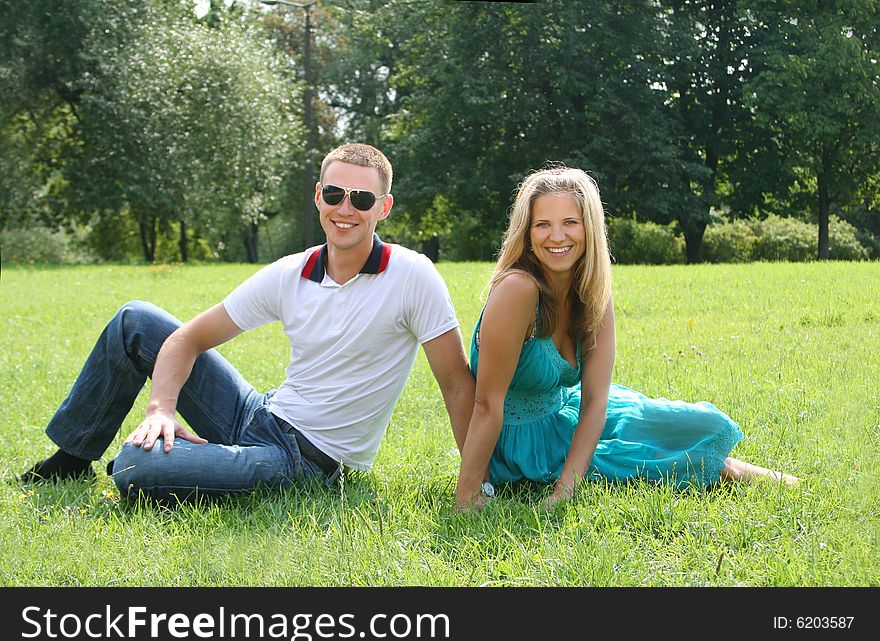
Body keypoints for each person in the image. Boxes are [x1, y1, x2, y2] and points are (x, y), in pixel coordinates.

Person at [20, 143, 475, 502]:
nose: (346, 209)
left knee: (134, 468)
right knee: (135, 320)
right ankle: (71, 459)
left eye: (361, 198)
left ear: (384, 207)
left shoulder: (412, 275)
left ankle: (201, 461)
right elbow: (187, 338)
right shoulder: (291, 272)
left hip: (304, 461)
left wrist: (478, 481)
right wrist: (160, 409)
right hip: (260, 412)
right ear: (319, 197)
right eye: (335, 194)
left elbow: (456, 384)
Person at [454, 166, 798, 511]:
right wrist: (468, 493)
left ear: (589, 228)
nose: (557, 236)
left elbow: (595, 401)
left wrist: (566, 490)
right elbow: (485, 404)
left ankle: (777, 480)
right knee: (657, 461)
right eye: (543, 224)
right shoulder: (518, 289)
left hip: (569, 412)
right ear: (527, 234)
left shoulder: (591, 291)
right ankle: (760, 479)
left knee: (693, 423)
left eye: (570, 223)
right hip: (521, 443)